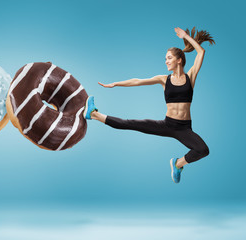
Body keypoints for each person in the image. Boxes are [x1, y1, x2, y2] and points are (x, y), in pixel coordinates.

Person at [83, 27, 215, 183]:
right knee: (130, 124)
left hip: (184, 128)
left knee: (203, 150)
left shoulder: (190, 77)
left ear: (179, 60)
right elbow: (138, 81)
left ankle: (178, 164)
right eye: (165, 58)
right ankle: (94, 114)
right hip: (168, 124)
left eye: (169, 58)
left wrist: (185, 36)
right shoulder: (163, 79)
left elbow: (201, 52)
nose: (166, 61)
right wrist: (116, 84)